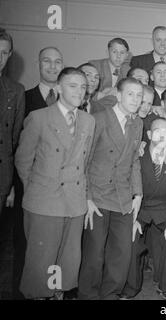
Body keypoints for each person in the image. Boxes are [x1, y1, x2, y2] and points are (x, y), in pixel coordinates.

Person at [15, 67, 95, 299]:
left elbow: (86, 161)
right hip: (44, 203)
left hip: (74, 203)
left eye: (83, 87)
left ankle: (57, 294)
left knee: (66, 263)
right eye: (72, 85)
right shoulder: (39, 118)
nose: (79, 91)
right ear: (58, 88)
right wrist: (38, 190)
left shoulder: (88, 121)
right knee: (41, 263)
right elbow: (23, 160)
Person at [78, 78, 144, 300]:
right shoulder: (98, 120)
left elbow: (134, 160)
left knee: (121, 255)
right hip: (97, 196)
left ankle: (110, 295)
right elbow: (83, 161)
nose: (136, 99)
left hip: (123, 197)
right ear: (118, 94)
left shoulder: (138, 123)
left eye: (139, 95)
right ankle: (88, 296)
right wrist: (86, 198)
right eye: (131, 94)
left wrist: (138, 194)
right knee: (94, 255)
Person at [122, 118, 166, 300]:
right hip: (140, 210)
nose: (162, 135)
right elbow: (126, 189)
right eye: (158, 131)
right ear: (150, 135)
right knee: (130, 238)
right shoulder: (137, 156)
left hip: (165, 211)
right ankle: (131, 286)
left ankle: (165, 286)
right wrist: (133, 219)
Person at [0, 31, 25, 217]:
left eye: (3, 52)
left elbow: (14, 141)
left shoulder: (15, 91)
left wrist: (11, 186)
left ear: (9, 55)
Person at [25, 47, 64, 116]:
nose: (53, 66)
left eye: (57, 62)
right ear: (38, 65)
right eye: (47, 61)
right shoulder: (23, 98)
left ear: (62, 67)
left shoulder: (70, 98)